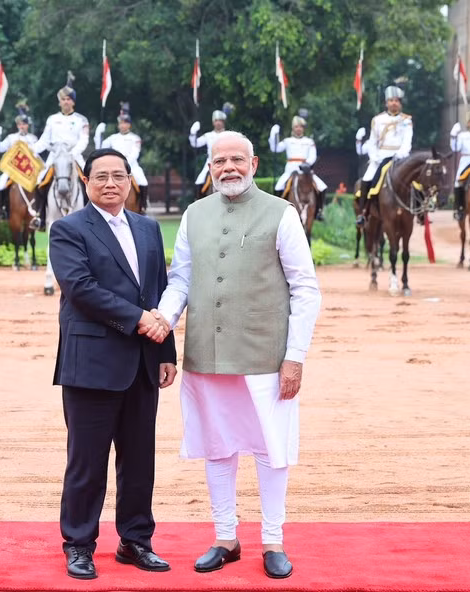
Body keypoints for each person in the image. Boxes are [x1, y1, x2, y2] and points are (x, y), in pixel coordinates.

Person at [150, 131, 322, 579]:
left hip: (266, 355)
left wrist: (295, 355)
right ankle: (225, 537)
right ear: (210, 167)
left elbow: (305, 288)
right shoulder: (194, 214)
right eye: (220, 161)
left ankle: (273, 541)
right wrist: (164, 318)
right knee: (218, 449)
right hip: (206, 353)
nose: (228, 167)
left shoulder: (281, 213)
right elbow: (181, 280)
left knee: (271, 449)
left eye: (236, 160)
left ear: (253, 162)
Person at [48, 147, 177, 580]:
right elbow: (80, 288)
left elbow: (157, 292)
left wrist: (165, 351)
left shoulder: (148, 228)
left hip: (143, 362)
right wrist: (138, 319)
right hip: (91, 364)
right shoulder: (68, 229)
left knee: (140, 460)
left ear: (129, 181)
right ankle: (79, 544)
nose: (109, 183)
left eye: (117, 176)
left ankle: (136, 540)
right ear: (86, 182)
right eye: (100, 176)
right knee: (87, 460)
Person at [31, 73, 90, 229]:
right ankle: (40, 216)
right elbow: (44, 139)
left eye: (68, 99)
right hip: (55, 156)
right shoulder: (52, 119)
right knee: (40, 181)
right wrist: (33, 149)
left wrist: (74, 152)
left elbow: (84, 140)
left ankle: (91, 215)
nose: (66, 102)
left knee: (89, 180)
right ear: (59, 102)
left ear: (73, 102)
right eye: (63, 99)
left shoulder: (81, 120)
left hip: (74, 155)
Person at [356, 86, 413, 226]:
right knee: (367, 179)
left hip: (400, 157)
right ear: (386, 103)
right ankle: (363, 212)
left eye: (397, 101)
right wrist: (374, 156)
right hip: (380, 157)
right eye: (391, 100)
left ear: (400, 103)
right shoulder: (377, 120)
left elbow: (407, 141)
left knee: (416, 182)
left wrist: (401, 154)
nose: (394, 103)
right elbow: (373, 141)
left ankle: (419, 212)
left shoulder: (406, 120)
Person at [268, 109, 328, 220]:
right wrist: (274, 134)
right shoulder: (287, 141)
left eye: (301, 127)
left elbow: (312, 156)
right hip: (290, 170)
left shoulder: (309, 141)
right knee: (278, 186)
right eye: (296, 127)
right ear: (293, 128)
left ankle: (319, 211)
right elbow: (275, 148)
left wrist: (307, 164)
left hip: (305, 169)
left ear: (303, 128)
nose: (298, 129)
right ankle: (276, 212)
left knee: (322, 187)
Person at [94, 102, 149, 211]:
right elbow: (100, 148)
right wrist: (98, 134)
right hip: (114, 167)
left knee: (143, 181)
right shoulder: (112, 138)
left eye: (125, 123)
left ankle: (143, 205)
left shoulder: (135, 138)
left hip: (131, 166)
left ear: (129, 125)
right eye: (121, 123)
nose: (122, 125)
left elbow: (135, 153)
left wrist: (124, 163)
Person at [0, 101, 40, 220]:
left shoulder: (33, 139)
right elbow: (0, 148)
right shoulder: (11, 138)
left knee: (40, 184)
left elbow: (36, 155)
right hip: (13, 169)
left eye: (24, 124)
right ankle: (2, 210)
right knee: (0, 185)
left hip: (29, 170)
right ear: (17, 125)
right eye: (20, 124)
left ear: (27, 125)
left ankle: (40, 209)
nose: (22, 126)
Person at [189, 105, 230, 200]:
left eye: (220, 120)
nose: (218, 123)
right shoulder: (208, 136)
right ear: (213, 122)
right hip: (211, 162)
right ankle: (199, 201)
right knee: (200, 181)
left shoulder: (228, 135)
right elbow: (195, 144)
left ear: (223, 122)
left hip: (225, 161)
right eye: (216, 120)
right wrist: (193, 133)